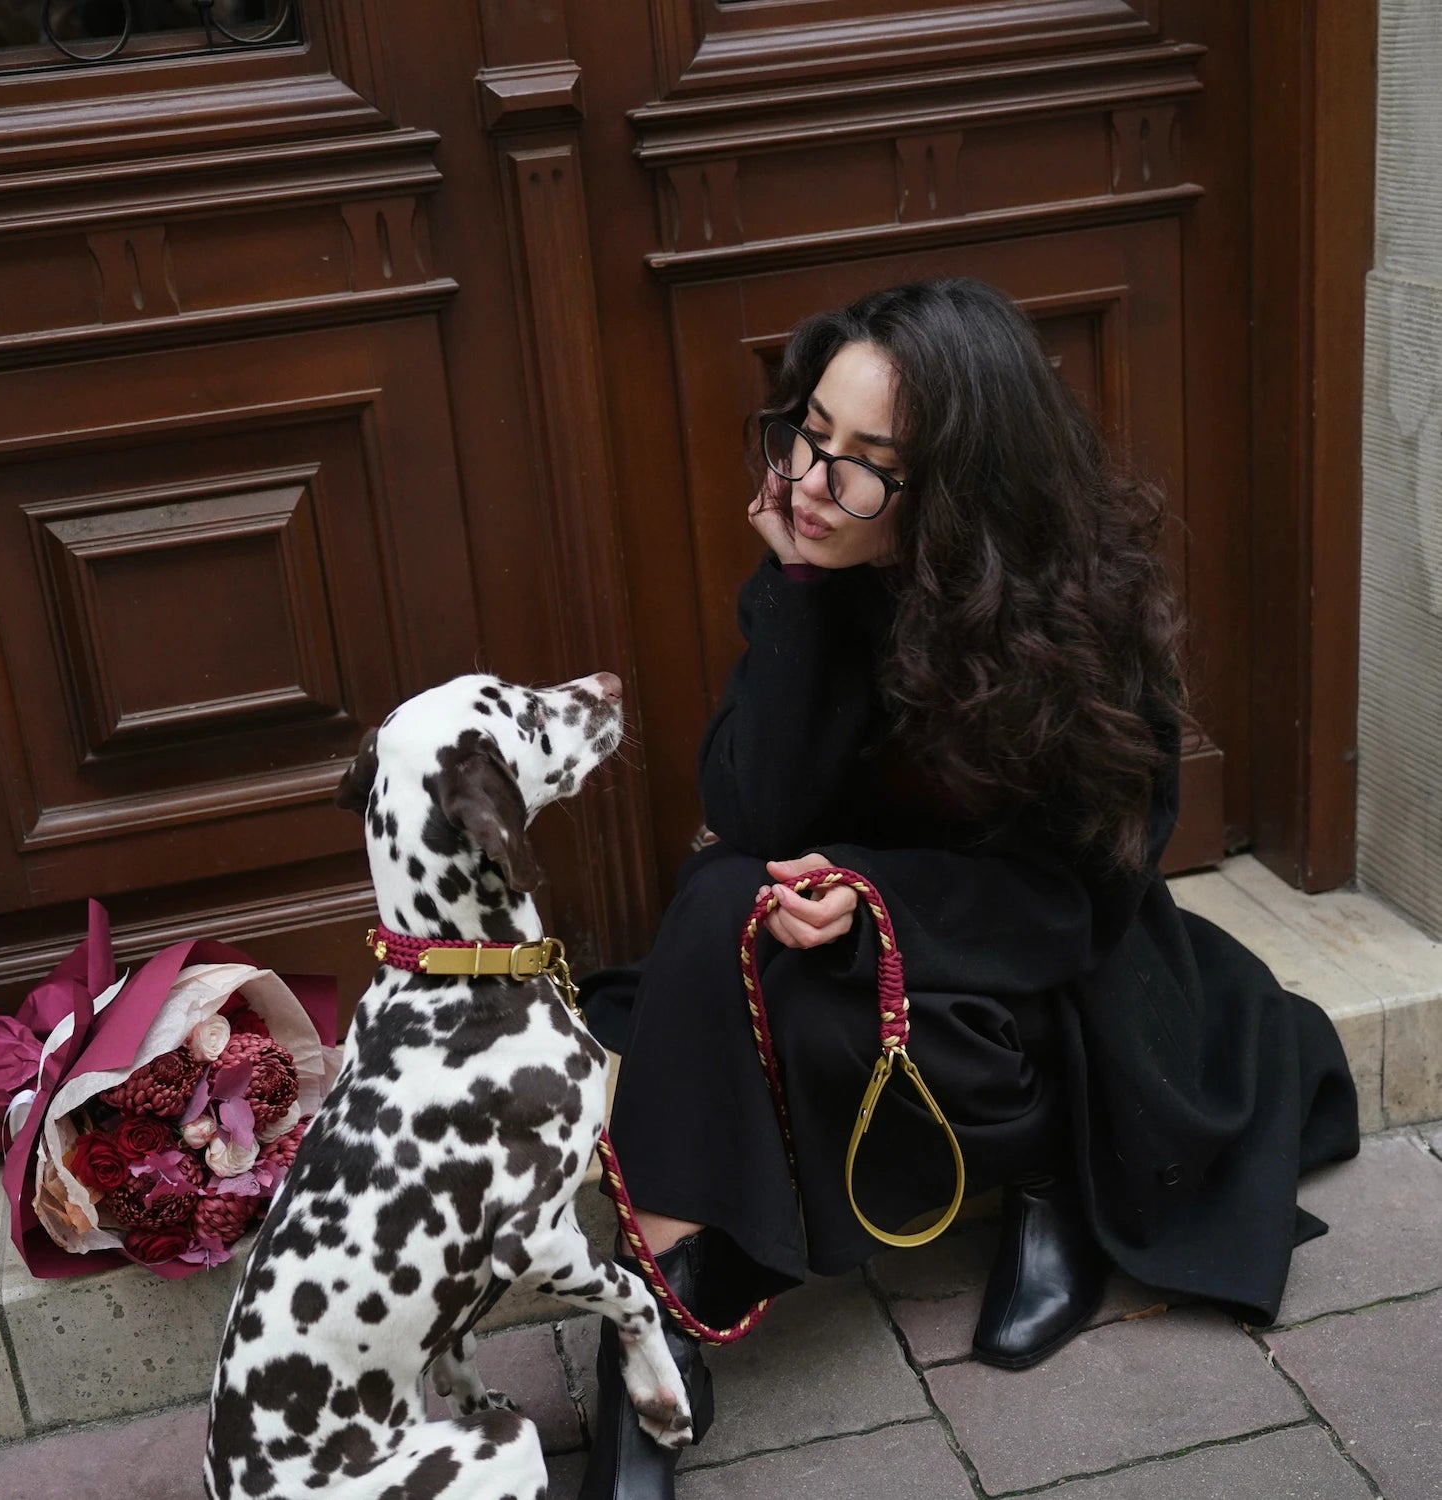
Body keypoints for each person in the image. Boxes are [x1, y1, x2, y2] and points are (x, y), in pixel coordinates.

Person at [575, 278, 1359, 1500]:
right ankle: (654, 1328)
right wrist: (795, 593)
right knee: (718, 894)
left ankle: (1054, 1177)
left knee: (819, 998)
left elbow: (1080, 901)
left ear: (962, 487)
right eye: (807, 436)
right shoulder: (815, 566)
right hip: (838, 928)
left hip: (1039, 977)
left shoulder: (1073, 622)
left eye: (866, 463)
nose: (810, 482)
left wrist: (873, 898)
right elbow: (757, 813)